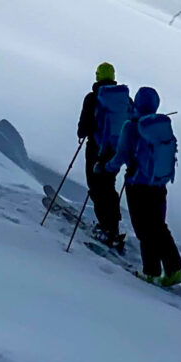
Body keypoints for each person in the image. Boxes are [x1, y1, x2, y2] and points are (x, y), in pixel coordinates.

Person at [103, 86, 181, 286]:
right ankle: (174, 269)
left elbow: (121, 155)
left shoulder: (131, 126)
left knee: (144, 229)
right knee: (158, 226)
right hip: (159, 184)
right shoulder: (160, 127)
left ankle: (152, 272)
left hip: (138, 185)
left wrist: (107, 167)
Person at [77, 62, 132, 248]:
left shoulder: (93, 98)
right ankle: (113, 226)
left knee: (95, 186)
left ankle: (105, 227)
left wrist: (83, 133)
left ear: (98, 76)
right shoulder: (124, 99)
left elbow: (84, 126)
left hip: (97, 149)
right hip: (117, 151)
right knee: (108, 186)